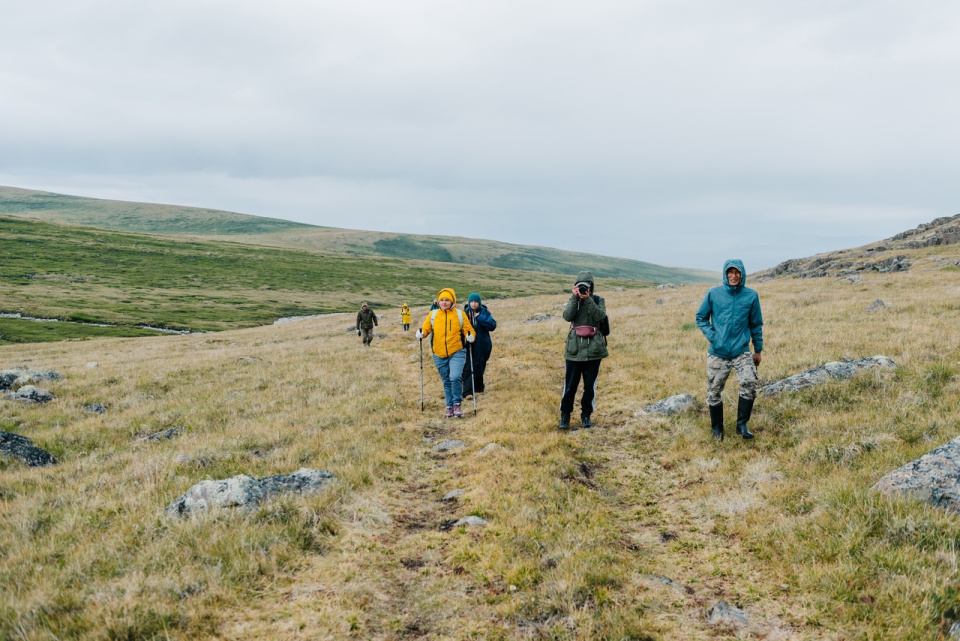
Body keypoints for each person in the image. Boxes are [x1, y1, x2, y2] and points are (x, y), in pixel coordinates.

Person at [695, 259, 764, 441]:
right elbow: (701, 317)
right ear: (725, 274)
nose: (733, 276)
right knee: (714, 391)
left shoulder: (751, 296)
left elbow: (756, 324)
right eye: (730, 272)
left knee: (750, 383)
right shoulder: (713, 294)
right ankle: (717, 428)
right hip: (718, 352)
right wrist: (713, 337)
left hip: (742, 351)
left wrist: (758, 350)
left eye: (737, 272)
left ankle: (741, 425)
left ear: (742, 274)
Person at [559, 271, 608, 430]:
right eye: (580, 286)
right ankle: (565, 416)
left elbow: (600, 316)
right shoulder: (573, 299)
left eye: (586, 286)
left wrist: (588, 301)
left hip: (594, 350)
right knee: (570, 386)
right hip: (574, 350)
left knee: (589, 386)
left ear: (591, 287)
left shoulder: (598, 300)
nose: (583, 289)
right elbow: (567, 316)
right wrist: (574, 298)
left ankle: (586, 415)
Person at [417, 288, 476, 418]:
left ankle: (457, 405)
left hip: (457, 352)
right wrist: (421, 333)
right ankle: (449, 407)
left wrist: (470, 336)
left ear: (452, 301)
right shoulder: (433, 314)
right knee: (446, 380)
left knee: (455, 377)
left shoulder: (460, 314)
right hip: (438, 353)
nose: (444, 303)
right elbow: (426, 329)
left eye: (447, 300)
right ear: (438, 302)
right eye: (442, 300)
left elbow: (469, 330)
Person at [461, 293, 497, 398]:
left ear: (479, 302)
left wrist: (480, 318)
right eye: (471, 302)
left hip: (483, 345)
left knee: (480, 365)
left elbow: (492, 326)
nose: (473, 304)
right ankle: (467, 392)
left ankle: (479, 387)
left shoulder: (485, 312)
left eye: (475, 302)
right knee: (468, 366)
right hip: (468, 344)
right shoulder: (465, 313)